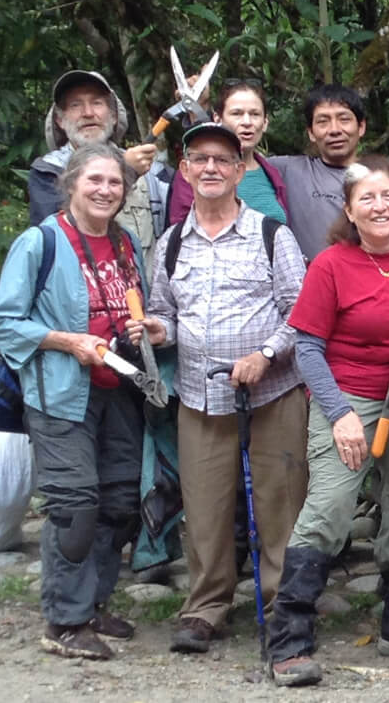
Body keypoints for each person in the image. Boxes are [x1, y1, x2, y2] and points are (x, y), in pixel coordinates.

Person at [268, 157, 389, 687]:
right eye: (367, 199)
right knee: (329, 507)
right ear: (350, 211)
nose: (380, 206)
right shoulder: (331, 264)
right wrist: (339, 414)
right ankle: (288, 639)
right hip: (350, 398)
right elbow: (307, 346)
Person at [129, 123, 308, 654]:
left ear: (237, 171)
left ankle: (283, 607)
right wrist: (160, 330)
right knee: (204, 507)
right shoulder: (171, 243)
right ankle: (206, 607)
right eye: (200, 159)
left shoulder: (272, 233)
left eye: (222, 160)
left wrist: (267, 355)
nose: (210, 168)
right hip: (200, 395)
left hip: (272, 392)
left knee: (280, 504)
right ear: (184, 170)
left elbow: (302, 313)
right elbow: (165, 312)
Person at [0, 143, 155, 660]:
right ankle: (63, 621)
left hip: (120, 391)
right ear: (71, 184)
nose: (106, 190)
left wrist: (141, 327)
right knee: (74, 506)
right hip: (60, 395)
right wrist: (69, 341)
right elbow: (4, 319)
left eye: (115, 183)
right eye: (95, 180)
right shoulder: (40, 243)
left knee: (122, 502)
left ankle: (93, 603)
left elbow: (138, 305)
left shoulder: (126, 244)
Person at [29, 69, 170, 252]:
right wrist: (125, 171)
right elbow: (56, 241)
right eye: (75, 105)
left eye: (97, 103)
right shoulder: (47, 172)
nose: (88, 113)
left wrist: (198, 115)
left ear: (113, 116)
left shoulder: (152, 172)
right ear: (59, 120)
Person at [167, 78, 290, 226]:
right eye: (236, 113)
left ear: (265, 123)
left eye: (255, 114)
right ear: (218, 118)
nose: (247, 122)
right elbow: (182, 231)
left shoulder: (272, 174)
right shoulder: (198, 171)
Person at [265, 83, 366, 261]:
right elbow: (232, 160)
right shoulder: (288, 170)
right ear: (311, 133)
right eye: (323, 121)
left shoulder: (381, 177)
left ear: (361, 127)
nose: (334, 130)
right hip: (309, 283)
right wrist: (199, 108)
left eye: (344, 119)